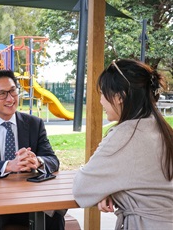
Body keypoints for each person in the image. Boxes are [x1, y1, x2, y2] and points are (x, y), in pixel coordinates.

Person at [73, 59, 173, 230]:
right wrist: (112, 189)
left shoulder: (126, 135)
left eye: (103, 93)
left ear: (119, 97)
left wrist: (106, 188)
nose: (101, 101)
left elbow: (81, 187)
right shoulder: (160, 127)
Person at [0, 69, 65, 230]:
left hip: (28, 198)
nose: (10, 99)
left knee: (54, 219)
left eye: (13, 91)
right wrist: (9, 166)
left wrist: (37, 161)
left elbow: (52, 160)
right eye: (2, 94)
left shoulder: (34, 124)